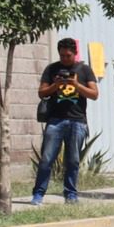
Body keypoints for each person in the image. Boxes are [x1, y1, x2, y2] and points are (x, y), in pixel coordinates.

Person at [33, 37, 98, 204]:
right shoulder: (52, 69)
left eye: (68, 55)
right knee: (47, 158)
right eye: (62, 55)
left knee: (73, 160)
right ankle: (38, 194)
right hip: (55, 121)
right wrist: (55, 85)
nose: (65, 59)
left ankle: (70, 194)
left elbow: (94, 94)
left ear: (75, 54)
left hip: (77, 121)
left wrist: (76, 84)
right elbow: (42, 93)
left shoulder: (84, 70)